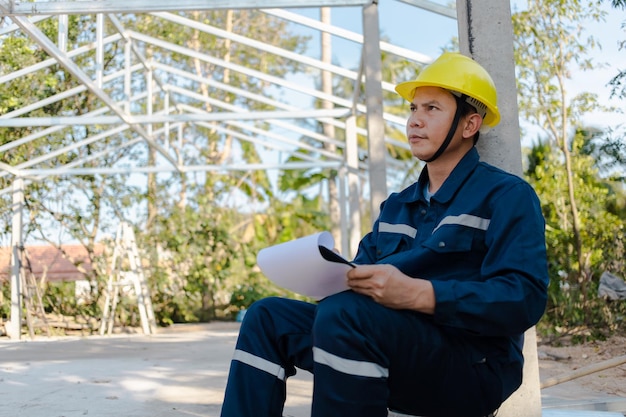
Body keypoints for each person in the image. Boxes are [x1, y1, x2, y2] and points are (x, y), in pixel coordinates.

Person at [219, 52, 549, 417]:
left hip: (472, 365)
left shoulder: (506, 196)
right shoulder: (397, 205)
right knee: (267, 317)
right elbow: (359, 278)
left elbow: (524, 299)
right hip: (390, 343)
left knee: (345, 316)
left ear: (469, 124)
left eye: (432, 109)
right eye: (413, 108)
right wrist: (331, 274)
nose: (414, 121)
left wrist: (421, 295)